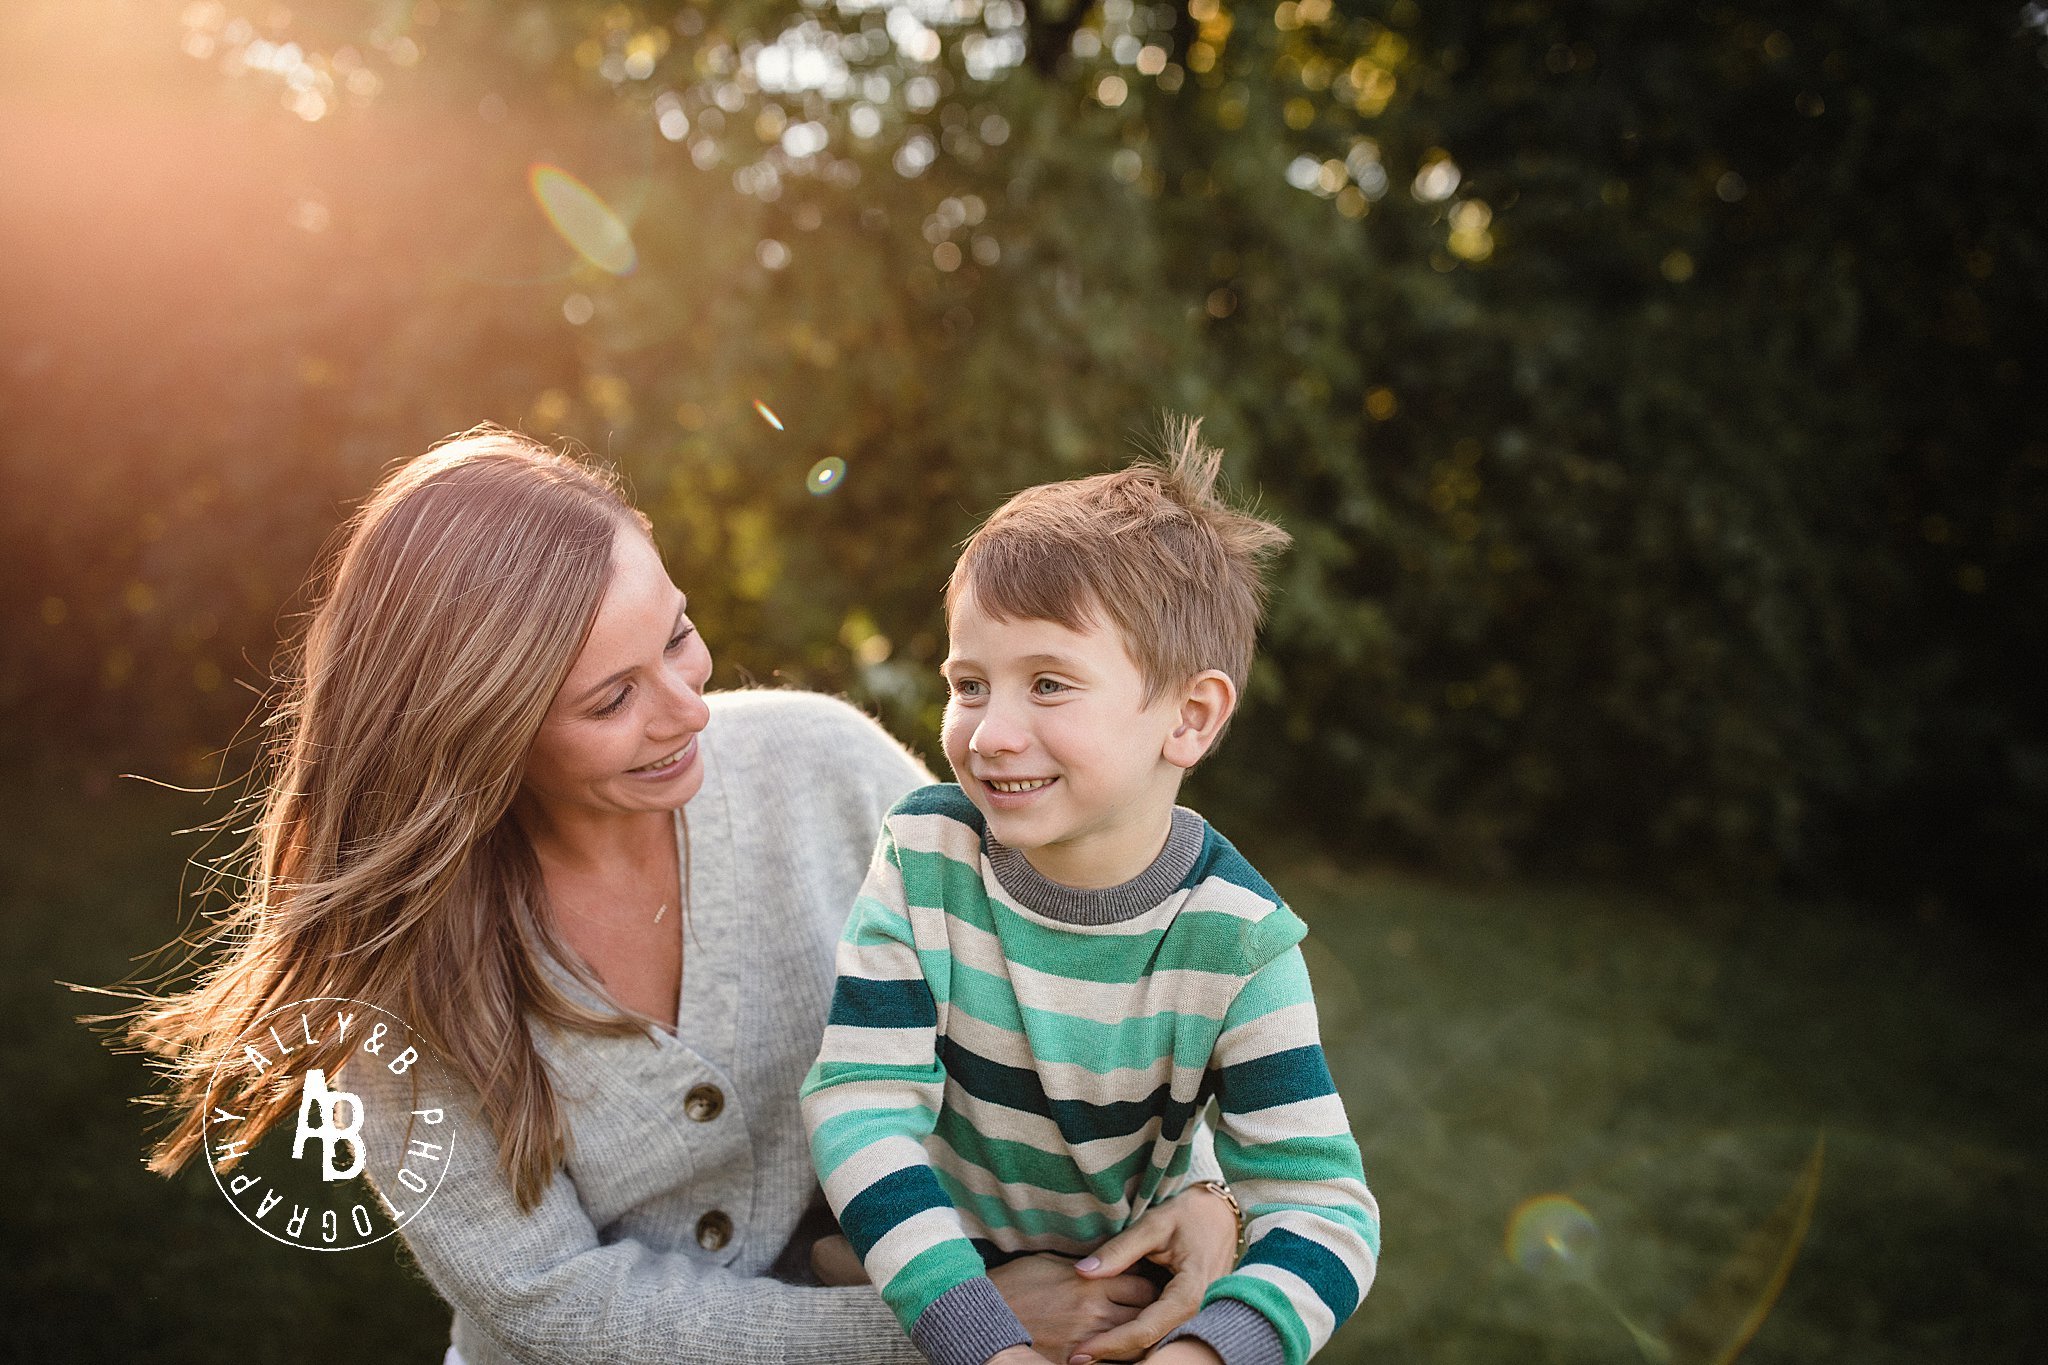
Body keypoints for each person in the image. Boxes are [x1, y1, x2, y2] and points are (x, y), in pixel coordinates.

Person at [118, 426, 1237, 1365]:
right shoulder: (392, 964)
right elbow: (553, 1301)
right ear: (475, 735)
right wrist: (952, 1324)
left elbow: (1069, 989)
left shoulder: (825, 772)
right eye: (611, 698)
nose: (688, 707)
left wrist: (1198, 1190)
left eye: (680, 636)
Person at [800, 419, 1380, 1365]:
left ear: (1189, 717)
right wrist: (982, 1336)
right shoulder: (926, 855)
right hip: (934, 1283)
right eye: (971, 682)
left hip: (1118, 1305)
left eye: (1050, 684)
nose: (990, 733)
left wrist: (1207, 1352)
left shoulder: (1239, 944)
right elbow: (862, 1104)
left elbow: (1322, 1207)